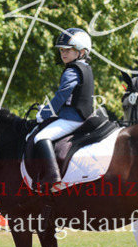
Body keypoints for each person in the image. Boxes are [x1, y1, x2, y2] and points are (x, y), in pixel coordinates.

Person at [32, 28, 95, 193]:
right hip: (81, 115)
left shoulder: (72, 71)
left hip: (72, 119)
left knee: (40, 137)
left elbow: (61, 97)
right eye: (61, 50)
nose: (63, 54)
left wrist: (43, 114)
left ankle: (52, 177)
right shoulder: (86, 67)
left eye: (68, 50)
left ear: (81, 52)